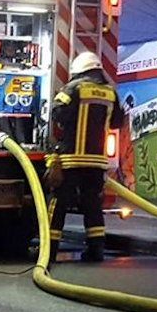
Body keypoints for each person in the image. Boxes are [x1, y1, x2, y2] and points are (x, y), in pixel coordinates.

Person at [46, 50, 123, 261]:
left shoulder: (72, 89)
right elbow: (118, 121)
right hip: (97, 162)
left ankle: (49, 251)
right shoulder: (111, 92)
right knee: (92, 205)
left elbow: (57, 113)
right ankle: (96, 249)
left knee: (58, 204)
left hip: (71, 160)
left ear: (79, 70)